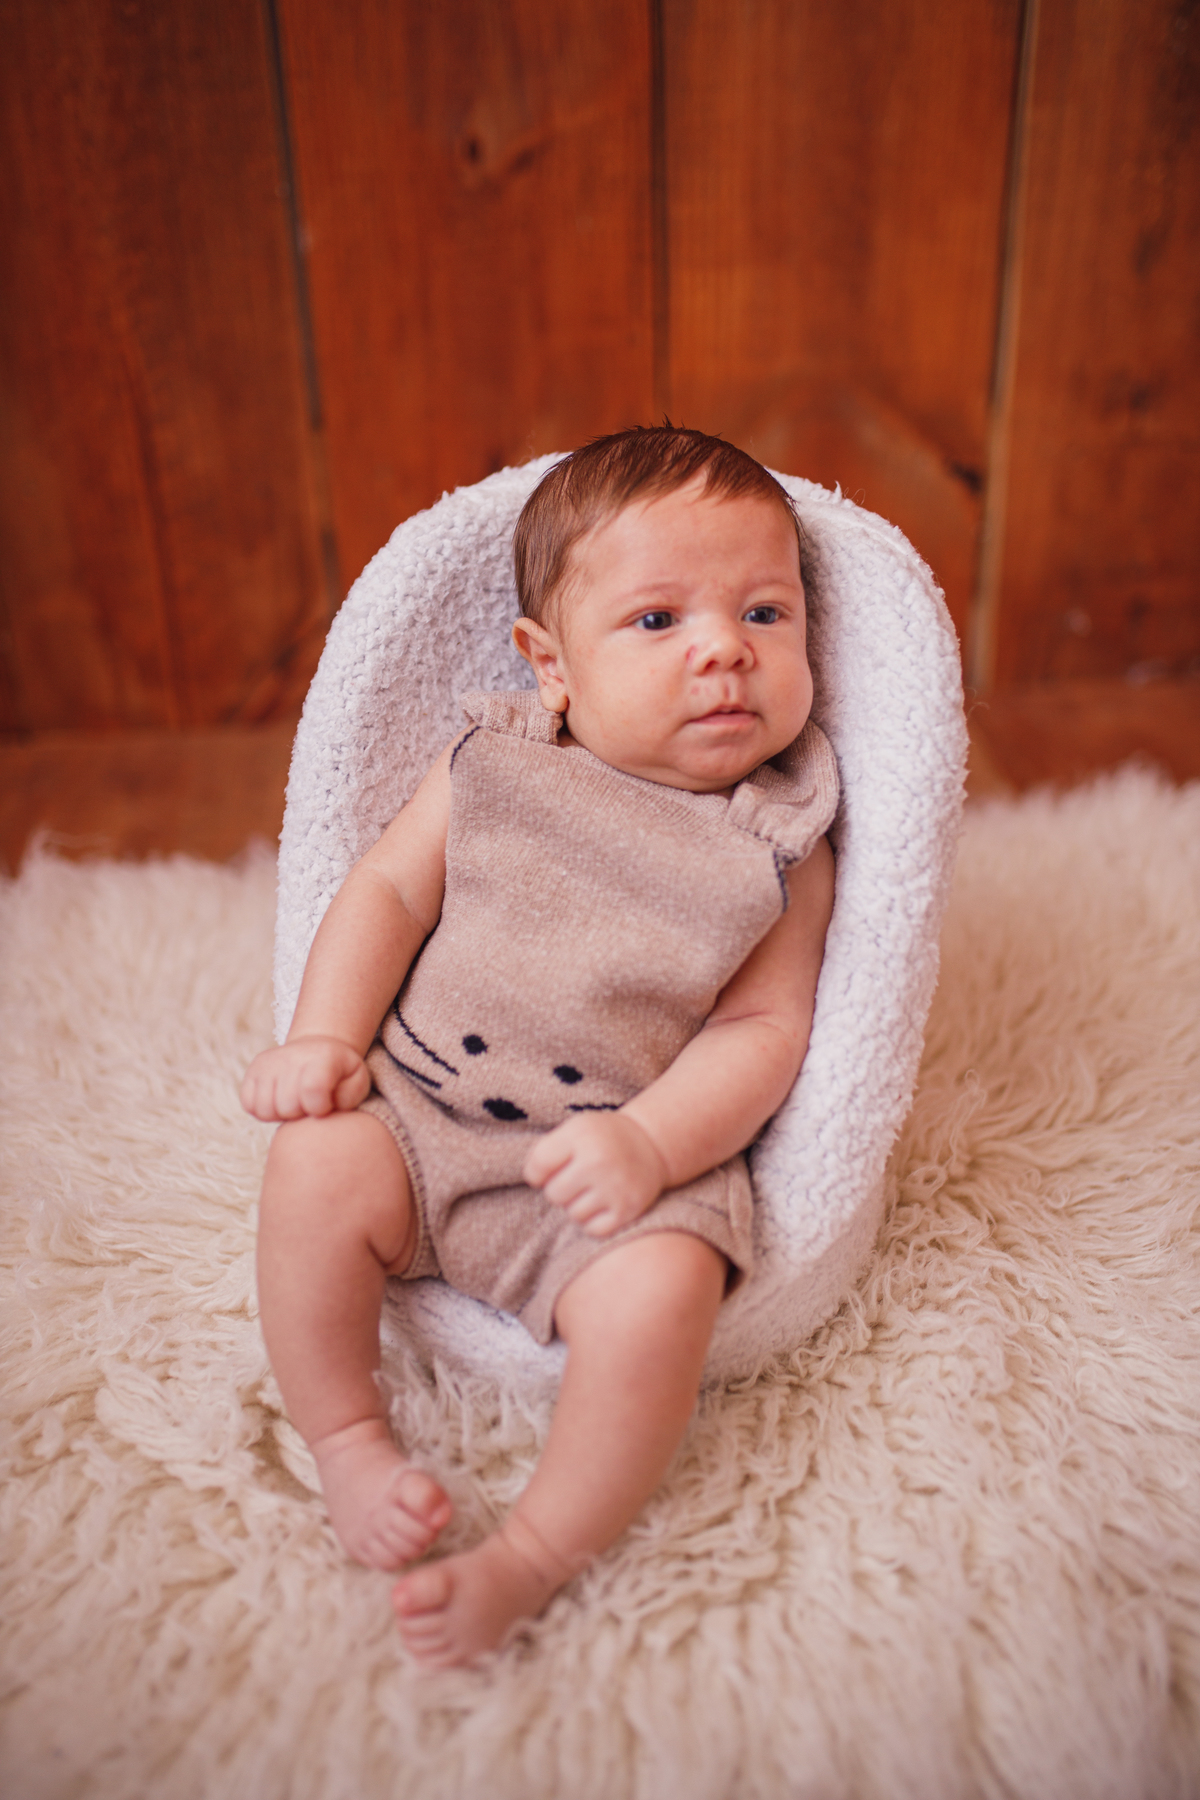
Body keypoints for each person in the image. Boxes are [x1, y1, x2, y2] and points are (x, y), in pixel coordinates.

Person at [241, 425, 838, 1667]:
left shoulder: (776, 841)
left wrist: (651, 1143)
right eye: (659, 620)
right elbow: (386, 896)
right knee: (310, 1170)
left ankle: (533, 1554)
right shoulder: (493, 766)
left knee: (664, 1294)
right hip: (420, 1110)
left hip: (605, 1164)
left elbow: (764, 1029)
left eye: (766, 612)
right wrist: (325, 1040)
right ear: (549, 666)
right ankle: (349, 1439)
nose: (726, 648)